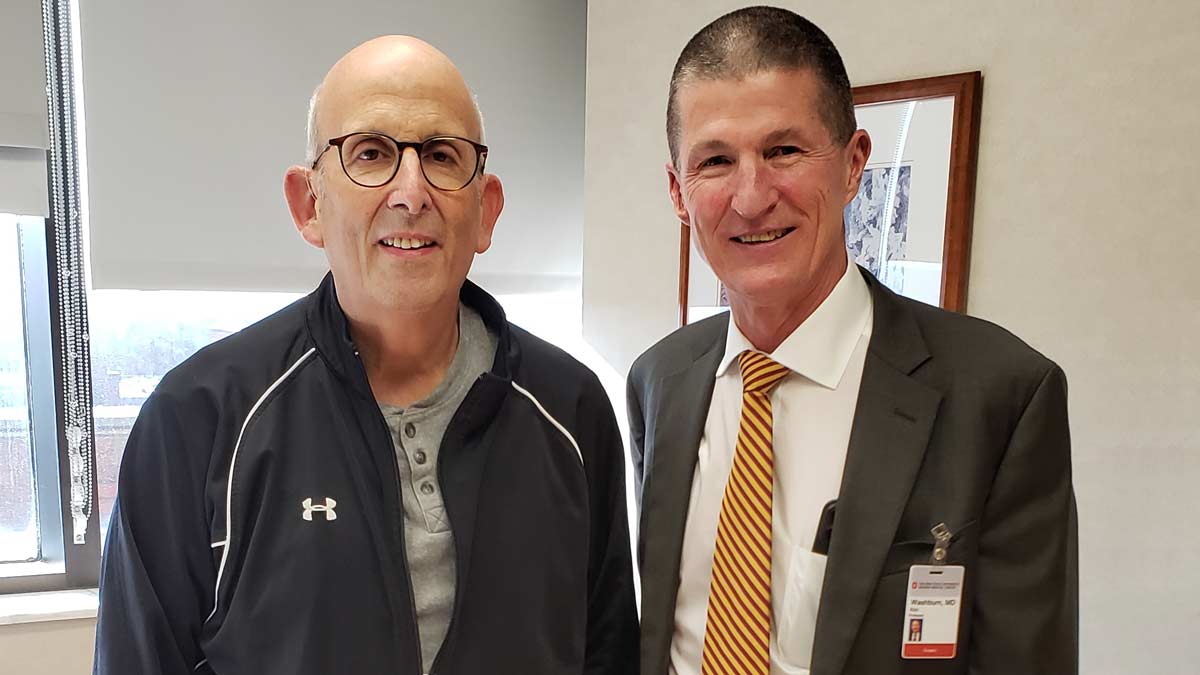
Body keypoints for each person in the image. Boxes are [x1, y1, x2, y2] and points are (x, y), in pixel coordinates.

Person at [94, 36, 638, 675]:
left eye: (441, 156)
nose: (411, 192)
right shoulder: (199, 418)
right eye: (371, 154)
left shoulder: (570, 410)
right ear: (309, 205)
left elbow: (608, 657)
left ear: (486, 210)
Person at [627, 7, 1077, 675]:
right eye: (716, 161)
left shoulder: (1001, 394)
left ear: (852, 164)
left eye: (783, 150)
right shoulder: (657, 379)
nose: (751, 198)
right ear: (677, 192)